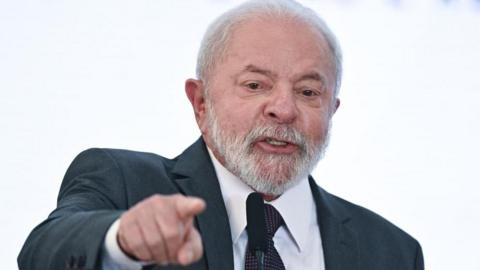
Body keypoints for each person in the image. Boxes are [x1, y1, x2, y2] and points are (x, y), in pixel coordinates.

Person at [18, 0, 424, 269]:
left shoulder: (393, 253)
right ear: (201, 102)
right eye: (255, 85)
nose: (283, 109)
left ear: (332, 111)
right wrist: (120, 240)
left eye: (308, 92)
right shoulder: (123, 183)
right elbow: (41, 253)